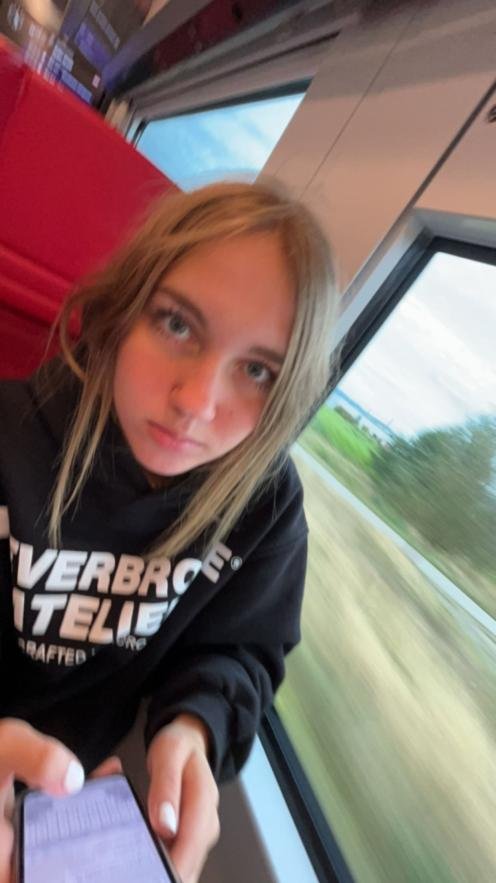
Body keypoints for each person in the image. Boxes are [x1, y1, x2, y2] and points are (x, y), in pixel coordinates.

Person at [0, 180, 336, 883]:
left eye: (257, 370)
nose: (196, 402)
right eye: (177, 324)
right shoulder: (8, 438)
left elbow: (239, 648)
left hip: (66, 807)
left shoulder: (263, 507)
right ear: (122, 310)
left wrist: (194, 724)